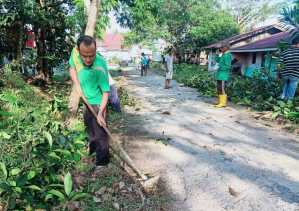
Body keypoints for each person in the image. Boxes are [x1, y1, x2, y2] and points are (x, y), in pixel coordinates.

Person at [68, 35, 110, 166]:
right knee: (89, 129)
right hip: (86, 100)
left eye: (91, 55)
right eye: (84, 56)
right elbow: (72, 68)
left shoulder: (100, 66)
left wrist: (100, 112)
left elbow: (105, 93)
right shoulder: (75, 54)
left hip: (98, 102)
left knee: (101, 133)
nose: (87, 59)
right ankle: (92, 152)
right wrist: (77, 84)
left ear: (95, 50)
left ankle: (102, 163)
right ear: (78, 50)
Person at [214, 42, 232, 108]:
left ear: (226, 47)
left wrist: (220, 66)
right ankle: (220, 102)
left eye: (222, 47)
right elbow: (218, 61)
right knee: (219, 88)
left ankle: (223, 103)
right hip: (219, 74)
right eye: (220, 48)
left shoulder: (228, 55)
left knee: (222, 88)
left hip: (223, 75)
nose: (220, 49)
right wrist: (217, 55)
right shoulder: (223, 54)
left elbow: (228, 66)